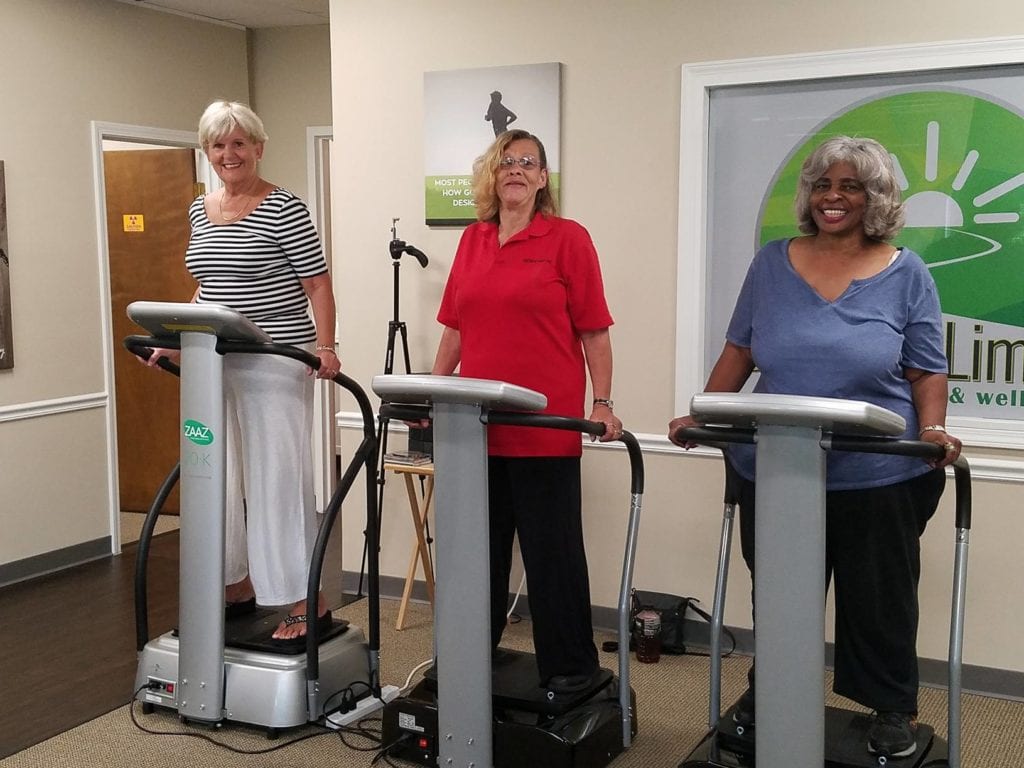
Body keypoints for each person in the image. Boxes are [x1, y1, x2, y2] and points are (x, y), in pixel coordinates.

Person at [668, 136, 962, 759]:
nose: (834, 196)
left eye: (851, 186)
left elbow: (926, 370)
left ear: (875, 197)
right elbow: (741, 350)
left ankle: (891, 707)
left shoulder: (906, 272)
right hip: (778, 468)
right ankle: (768, 684)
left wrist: (932, 429)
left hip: (877, 474)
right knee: (778, 591)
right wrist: (701, 411)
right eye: (824, 184)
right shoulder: (773, 262)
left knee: (878, 599)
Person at [429, 128, 621, 693]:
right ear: (492, 175)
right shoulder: (472, 240)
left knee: (551, 557)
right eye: (505, 161)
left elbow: (595, 330)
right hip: (475, 428)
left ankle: (571, 669)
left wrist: (602, 402)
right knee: (476, 557)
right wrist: (435, 391)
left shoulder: (567, 239)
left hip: (544, 427)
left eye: (527, 162)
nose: (515, 169)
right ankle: (467, 656)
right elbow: (455, 327)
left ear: (542, 178)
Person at [146, 100, 340, 642]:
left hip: (276, 358)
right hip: (217, 359)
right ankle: (236, 584)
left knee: (276, 480)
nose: (228, 154)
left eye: (238, 143)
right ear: (206, 151)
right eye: (217, 144)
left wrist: (326, 345)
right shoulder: (197, 209)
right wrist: (179, 339)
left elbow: (317, 284)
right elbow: (207, 285)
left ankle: (307, 600)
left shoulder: (285, 208)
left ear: (258, 147)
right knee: (218, 476)